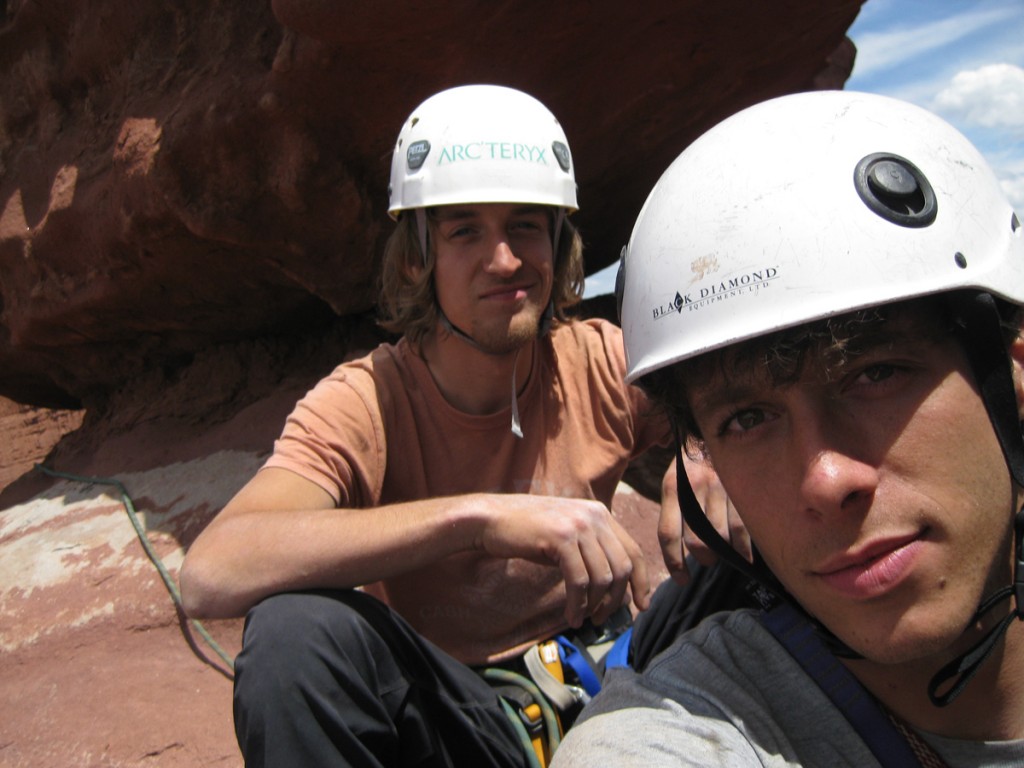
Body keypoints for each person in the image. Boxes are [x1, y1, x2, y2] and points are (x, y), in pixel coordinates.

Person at [179, 84, 745, 768]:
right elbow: (212, 572)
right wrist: (477, 519)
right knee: (294, 637)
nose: (504, 259)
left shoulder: (599, 358)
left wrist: (702, 457)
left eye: (526, 225)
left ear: (558, 241)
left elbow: (731, 405)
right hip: (465, 722)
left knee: (773, 536)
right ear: (417, 256)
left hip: (623, 674)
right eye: (465, 230)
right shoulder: (368, 401)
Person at [552, 89, 1024, 767]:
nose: (825, 479)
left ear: (1009, 380)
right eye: (747, 419)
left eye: (877, 374)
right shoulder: (675, 740)